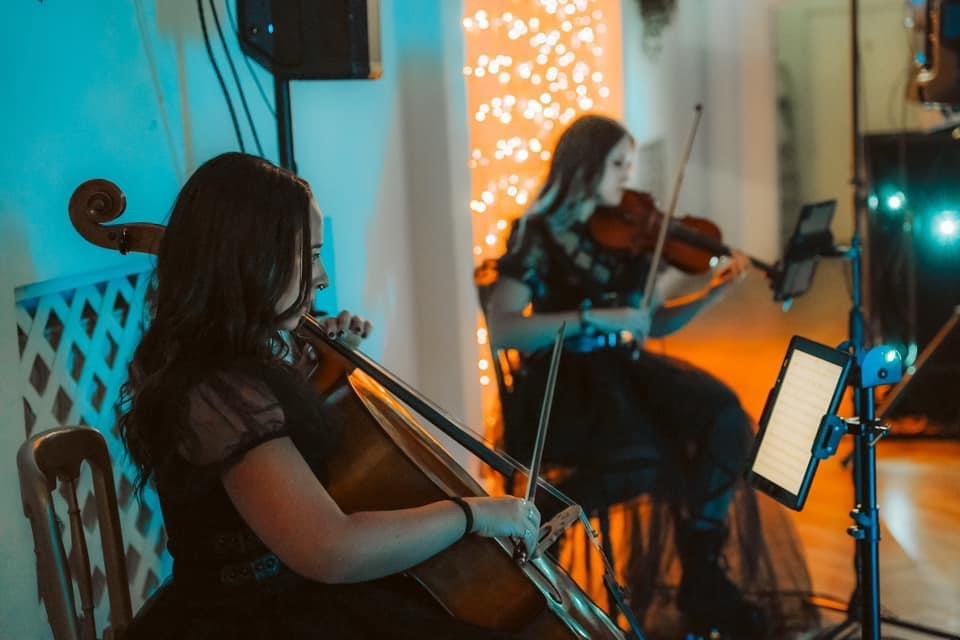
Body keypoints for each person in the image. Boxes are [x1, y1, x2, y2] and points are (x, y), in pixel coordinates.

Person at [119, 152, 541, 639]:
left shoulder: (232, 369)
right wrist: (473, 514)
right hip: (253, 620)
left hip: (292, 599)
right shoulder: (216, 394)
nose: (322, 277)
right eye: (311, 255)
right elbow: (331, 550)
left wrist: (325, 375)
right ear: (250, 259)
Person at [483, 114, 783, 637]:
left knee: (725, 418)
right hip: (566, 385)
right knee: (643, 459)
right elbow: (504, 328)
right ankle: (547, 518)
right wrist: (595, 318)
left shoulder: (626, 236)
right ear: (585, 166)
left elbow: (650, 323)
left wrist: (711, 295)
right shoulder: (539, 234)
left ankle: (702, 572)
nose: (628, 177)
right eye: (618, 163)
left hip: (624, 371)